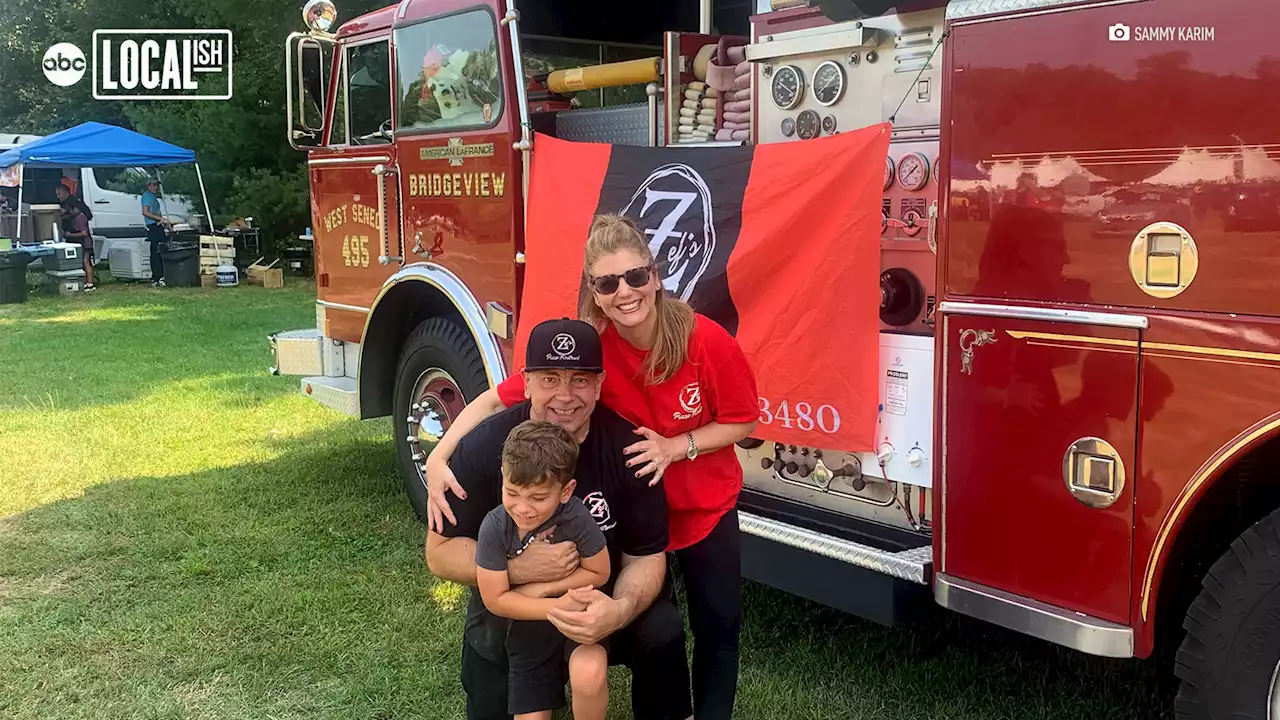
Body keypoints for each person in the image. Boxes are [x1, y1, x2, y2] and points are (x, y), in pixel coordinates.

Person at [428, 214, 760, 720]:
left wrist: (677, 447)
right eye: (608, 282)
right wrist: (439, 452)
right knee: (511, 631)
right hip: (638, 494)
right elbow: (500, 399)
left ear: (656, 274)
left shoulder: (705, 341)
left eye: (636, 276)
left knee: (716, 624)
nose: (625, 291)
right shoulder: (591, 348)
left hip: (701, 502)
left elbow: (742, 419)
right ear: (594, 290)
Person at [425, 317, 693, 720]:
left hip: (600, 593)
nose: (565, 396)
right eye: (550, 378)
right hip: (516, 600)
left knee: (661, 628)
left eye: (579, 379)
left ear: (600, 384)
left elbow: (646, 557)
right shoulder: (484, 447)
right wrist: (518, 569)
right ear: (527, 382)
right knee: (488, 632)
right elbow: (440, 553)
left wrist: (618, 609)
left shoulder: (631, 453)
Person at [475, 419, 611, 720]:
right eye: (512, 493)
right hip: (527, 632)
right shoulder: (494, 528)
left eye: (537, 497)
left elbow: (600, 572)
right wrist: (552, 608)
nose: (523, 508)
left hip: (579, 620)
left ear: (566, 491)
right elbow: (494, 599)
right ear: (502, 477)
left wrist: (544, 590)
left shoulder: (576, 516)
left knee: (589, 671)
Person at [140, 177, 170, 287]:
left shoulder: (153, 197)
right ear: (148, 186)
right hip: (153, 227)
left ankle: (160, 276)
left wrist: (164, 222)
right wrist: (159, 219)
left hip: (158, 225)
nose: (155, 187)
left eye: (156, 185)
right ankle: (157, 277)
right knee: (156, 252)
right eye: (152, 185)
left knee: (159, 251)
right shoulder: (147, 196)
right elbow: (145, 212)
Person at [62, 202, 95, 291]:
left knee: (85, 262)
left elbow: (84, 233)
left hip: (85, 243)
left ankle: (89, 283)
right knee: (84, 262)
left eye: (71, 210)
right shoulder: (79, 216)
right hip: (84, 243)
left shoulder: (80, 217)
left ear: (76, 208)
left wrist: (70, 235)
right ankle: (86, 282)